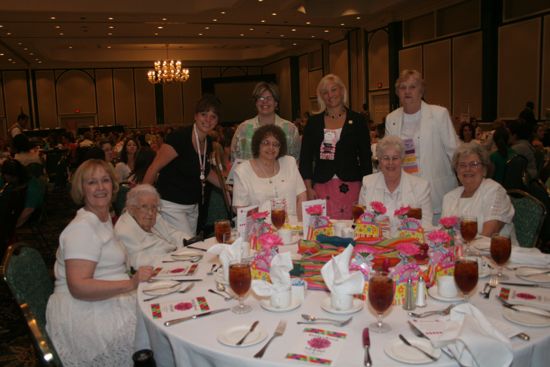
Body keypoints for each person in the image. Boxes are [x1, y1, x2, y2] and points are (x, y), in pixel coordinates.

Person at [45, 159, 153, 366]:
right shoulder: (81, 229)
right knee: (153, 332)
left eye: (105, 180)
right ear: (81, 189)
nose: (101, 187)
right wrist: (131, 283)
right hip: (82, 311)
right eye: (92, 182)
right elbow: (79, 287)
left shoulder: (100, 220)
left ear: (114, 186)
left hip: (103, 299)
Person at [143, 95, 224, 234]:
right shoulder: (179, 138)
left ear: (217, 121)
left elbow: (205, 171)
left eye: (213, 117)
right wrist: (142, 202)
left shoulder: (209, 142)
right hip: (171, 205)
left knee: (185, 247)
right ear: (195, 116)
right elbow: (154, 167)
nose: (208, 120)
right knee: (185, 247)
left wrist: (228, 186)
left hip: (193, 206)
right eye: (204, 114)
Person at [385, 69, 458, 223]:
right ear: (398, 92)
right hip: (405, 190)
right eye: (403, 87)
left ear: (421, 90)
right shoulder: (391, 118)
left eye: (412, 87)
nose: (407, 92)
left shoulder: (439, 114)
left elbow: (455, 153)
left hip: (435, 190)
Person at [299, 74, 372, 219]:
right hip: (321, 185)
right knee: (323, 227)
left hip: (352, 184)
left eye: (334, 90)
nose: (330, 95)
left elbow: (365, 157)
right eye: (325, 92)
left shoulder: (357, 120)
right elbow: (305, 158)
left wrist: (367, 188)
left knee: (353, 228)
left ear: (342, 91)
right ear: (321, 97)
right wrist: (308, 187)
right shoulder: (313, 123)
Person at [358, 136, 433, 232]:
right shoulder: (367, 183)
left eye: (395, 158)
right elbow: (362, 222)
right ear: (379, 161)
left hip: (409, 243)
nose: (390, 163)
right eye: (386, 158)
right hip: (375, 243)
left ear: (402, 160)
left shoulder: (421, 186)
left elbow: (426, 226)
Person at [233, 124, 306, 220]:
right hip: (260, 229)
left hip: (291, 228)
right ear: (257, 144)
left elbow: (302, 196)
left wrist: (300, 226)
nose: (271, 147)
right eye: (265, 143)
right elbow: (240, 208)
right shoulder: (242, 171)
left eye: (276, 144)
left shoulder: (289, 162)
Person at [442, 142, 515, 237]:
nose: (468, 169)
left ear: (484, 169)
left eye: (474, 164)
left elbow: (488, 235)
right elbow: (444, 236)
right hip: (458, 251)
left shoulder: (494, 190)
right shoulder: (449, 197)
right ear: (457, 171)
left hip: (494, 250)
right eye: (462, 165)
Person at [115, 184, 191, 269]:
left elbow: (172, 233)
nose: (150, 213)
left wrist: (190, 241)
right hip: (157, 271)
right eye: (144, 207)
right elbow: (138, 262)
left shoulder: (155, 217)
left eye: (154, 207)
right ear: (131, 208)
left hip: (175, 259)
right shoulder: (125, 232)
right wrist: (173, 256)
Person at [231, 81, 301, 164]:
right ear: (256, 102)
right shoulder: (243, 129)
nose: (264, 102)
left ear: (276, 103)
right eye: (260, 98)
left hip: (282, 176)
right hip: (248, 176)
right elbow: (234, 159)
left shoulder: (290, 129)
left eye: (269, 98)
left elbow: (295, 161)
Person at [0, 158, 45, 228]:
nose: (5, 179)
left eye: (6, 177)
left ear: (15, 176)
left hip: (30, 214)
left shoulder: (32, 187)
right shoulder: (10, 179)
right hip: (13, 210)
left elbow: (29, 210)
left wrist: (11, 228)